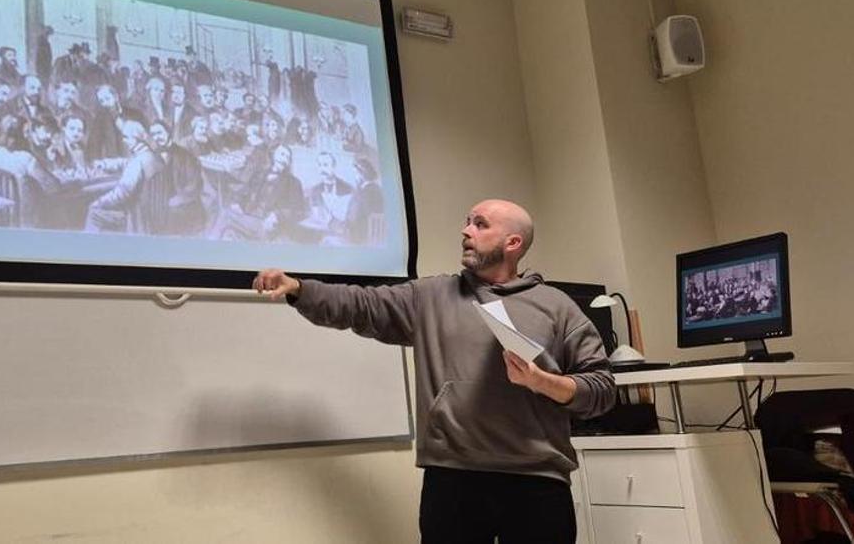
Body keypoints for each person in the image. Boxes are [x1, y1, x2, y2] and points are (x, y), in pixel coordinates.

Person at [252, 200, 615, 543]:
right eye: (467, 222)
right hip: (453, 480)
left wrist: (542, 381)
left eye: (480, 224)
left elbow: (601, 388)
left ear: (513, 243)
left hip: (537, 482)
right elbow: (360, 304)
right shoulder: (430, 296)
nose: (466, 231)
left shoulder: (557, 307)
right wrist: (299, 289)